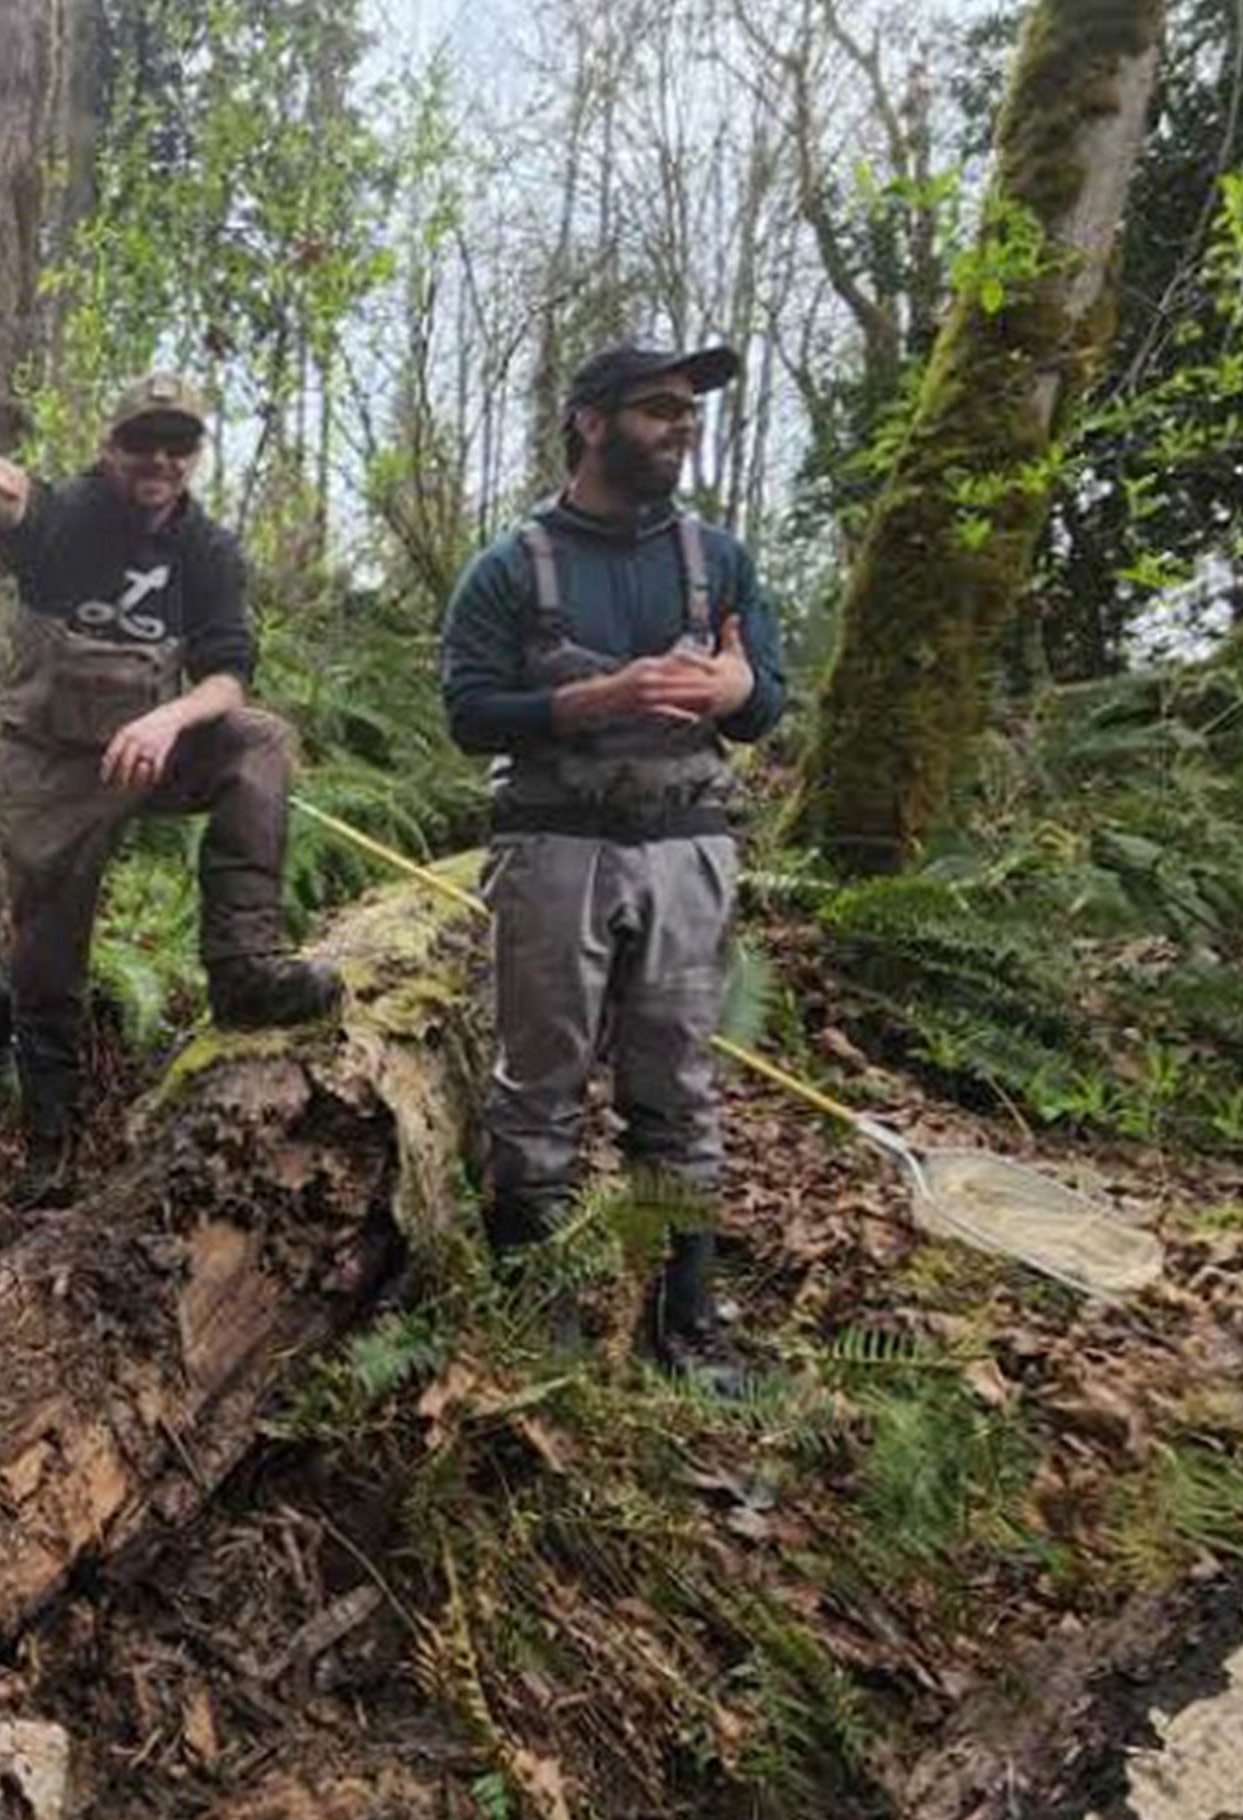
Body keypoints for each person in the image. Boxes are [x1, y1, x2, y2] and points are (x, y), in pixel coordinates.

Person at [439, 344, 786, 1378]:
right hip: (554, 847)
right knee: (537, 1084)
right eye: (655, 408)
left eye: (687, 410)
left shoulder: (719, 561)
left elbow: (768, 698)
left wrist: (731, 694)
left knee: (675, 1089)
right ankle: (537, 1317)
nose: (680, 425)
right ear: (588, 422)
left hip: (687, 847)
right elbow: (466, 713)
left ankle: (679, 1322)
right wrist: (593, 699)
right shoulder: (509, 568)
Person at [0, 373, 343, 1208]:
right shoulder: (73, 516)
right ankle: (48, 1147)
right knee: (45, 955)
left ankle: (243, 967)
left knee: (257, 742)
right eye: (141, 441)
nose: (158, 459)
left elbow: (228, 676)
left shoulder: (210, 551)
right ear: (108, 447)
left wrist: (168, 723)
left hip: (148, 751)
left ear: (193, 455)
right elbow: (18, 505)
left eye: (177, 443)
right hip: (52, 763)